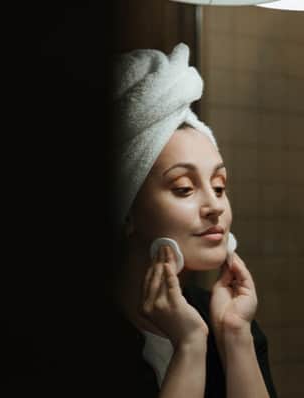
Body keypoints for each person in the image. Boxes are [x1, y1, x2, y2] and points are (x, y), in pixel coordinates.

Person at [108, 42, 278, 398]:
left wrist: (235, 337)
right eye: (184, 188)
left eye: (219, 186)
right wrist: (188, 347)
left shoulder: (227, 318)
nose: (215, 206)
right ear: (126, 212)